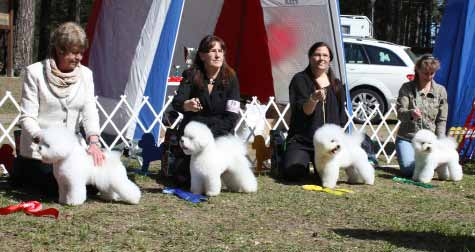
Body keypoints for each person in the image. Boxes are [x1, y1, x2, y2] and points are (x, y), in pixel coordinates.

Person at [10, 22, 105, 194]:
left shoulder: (86, 74)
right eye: (74, 53)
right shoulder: (34, 73)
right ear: (60, 50)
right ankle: (24, 172)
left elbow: (90, 110)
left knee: (95, 183)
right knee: (56, 188)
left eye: (81, 53)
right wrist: (43, 139)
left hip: (72, 149)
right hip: (41, 152)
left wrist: (93, 142)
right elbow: (27, 117)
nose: (79, 58)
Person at [170, 35, 241, 187]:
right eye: (212, 51)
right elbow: (177, 102)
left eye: (220, 51)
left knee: (235, 173)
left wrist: (210, 135)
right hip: (193, 138)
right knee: (184, 180)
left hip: (220, 133)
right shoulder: (190, 75)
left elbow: (232, 115)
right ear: (202, 56)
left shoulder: (231, 78)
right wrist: (186, 105)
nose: (217, 55)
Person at [281, 42, 347, 181]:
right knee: (293, 172)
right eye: (317, 54)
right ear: (310, 57)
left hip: (328, 146)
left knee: (325, 176)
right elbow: (304, 111)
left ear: (330, 59)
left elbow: (341, 118)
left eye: (325, 55)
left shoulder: (337, 84)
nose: (321, 58)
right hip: (303, 140)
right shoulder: (299, 80)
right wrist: (313, 98)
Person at [395, 54, 448, 177]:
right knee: (409, 171)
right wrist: (410, 114)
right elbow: (400, 113)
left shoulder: (441, 91)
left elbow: (442, 120)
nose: (429, 77)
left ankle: (431, 164)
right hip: (407, 138)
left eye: (432, 73)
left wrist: (440, 141)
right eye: (425, 73)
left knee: (428, 165)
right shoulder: (406, 88)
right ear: (417, 70)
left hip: (430, 142)